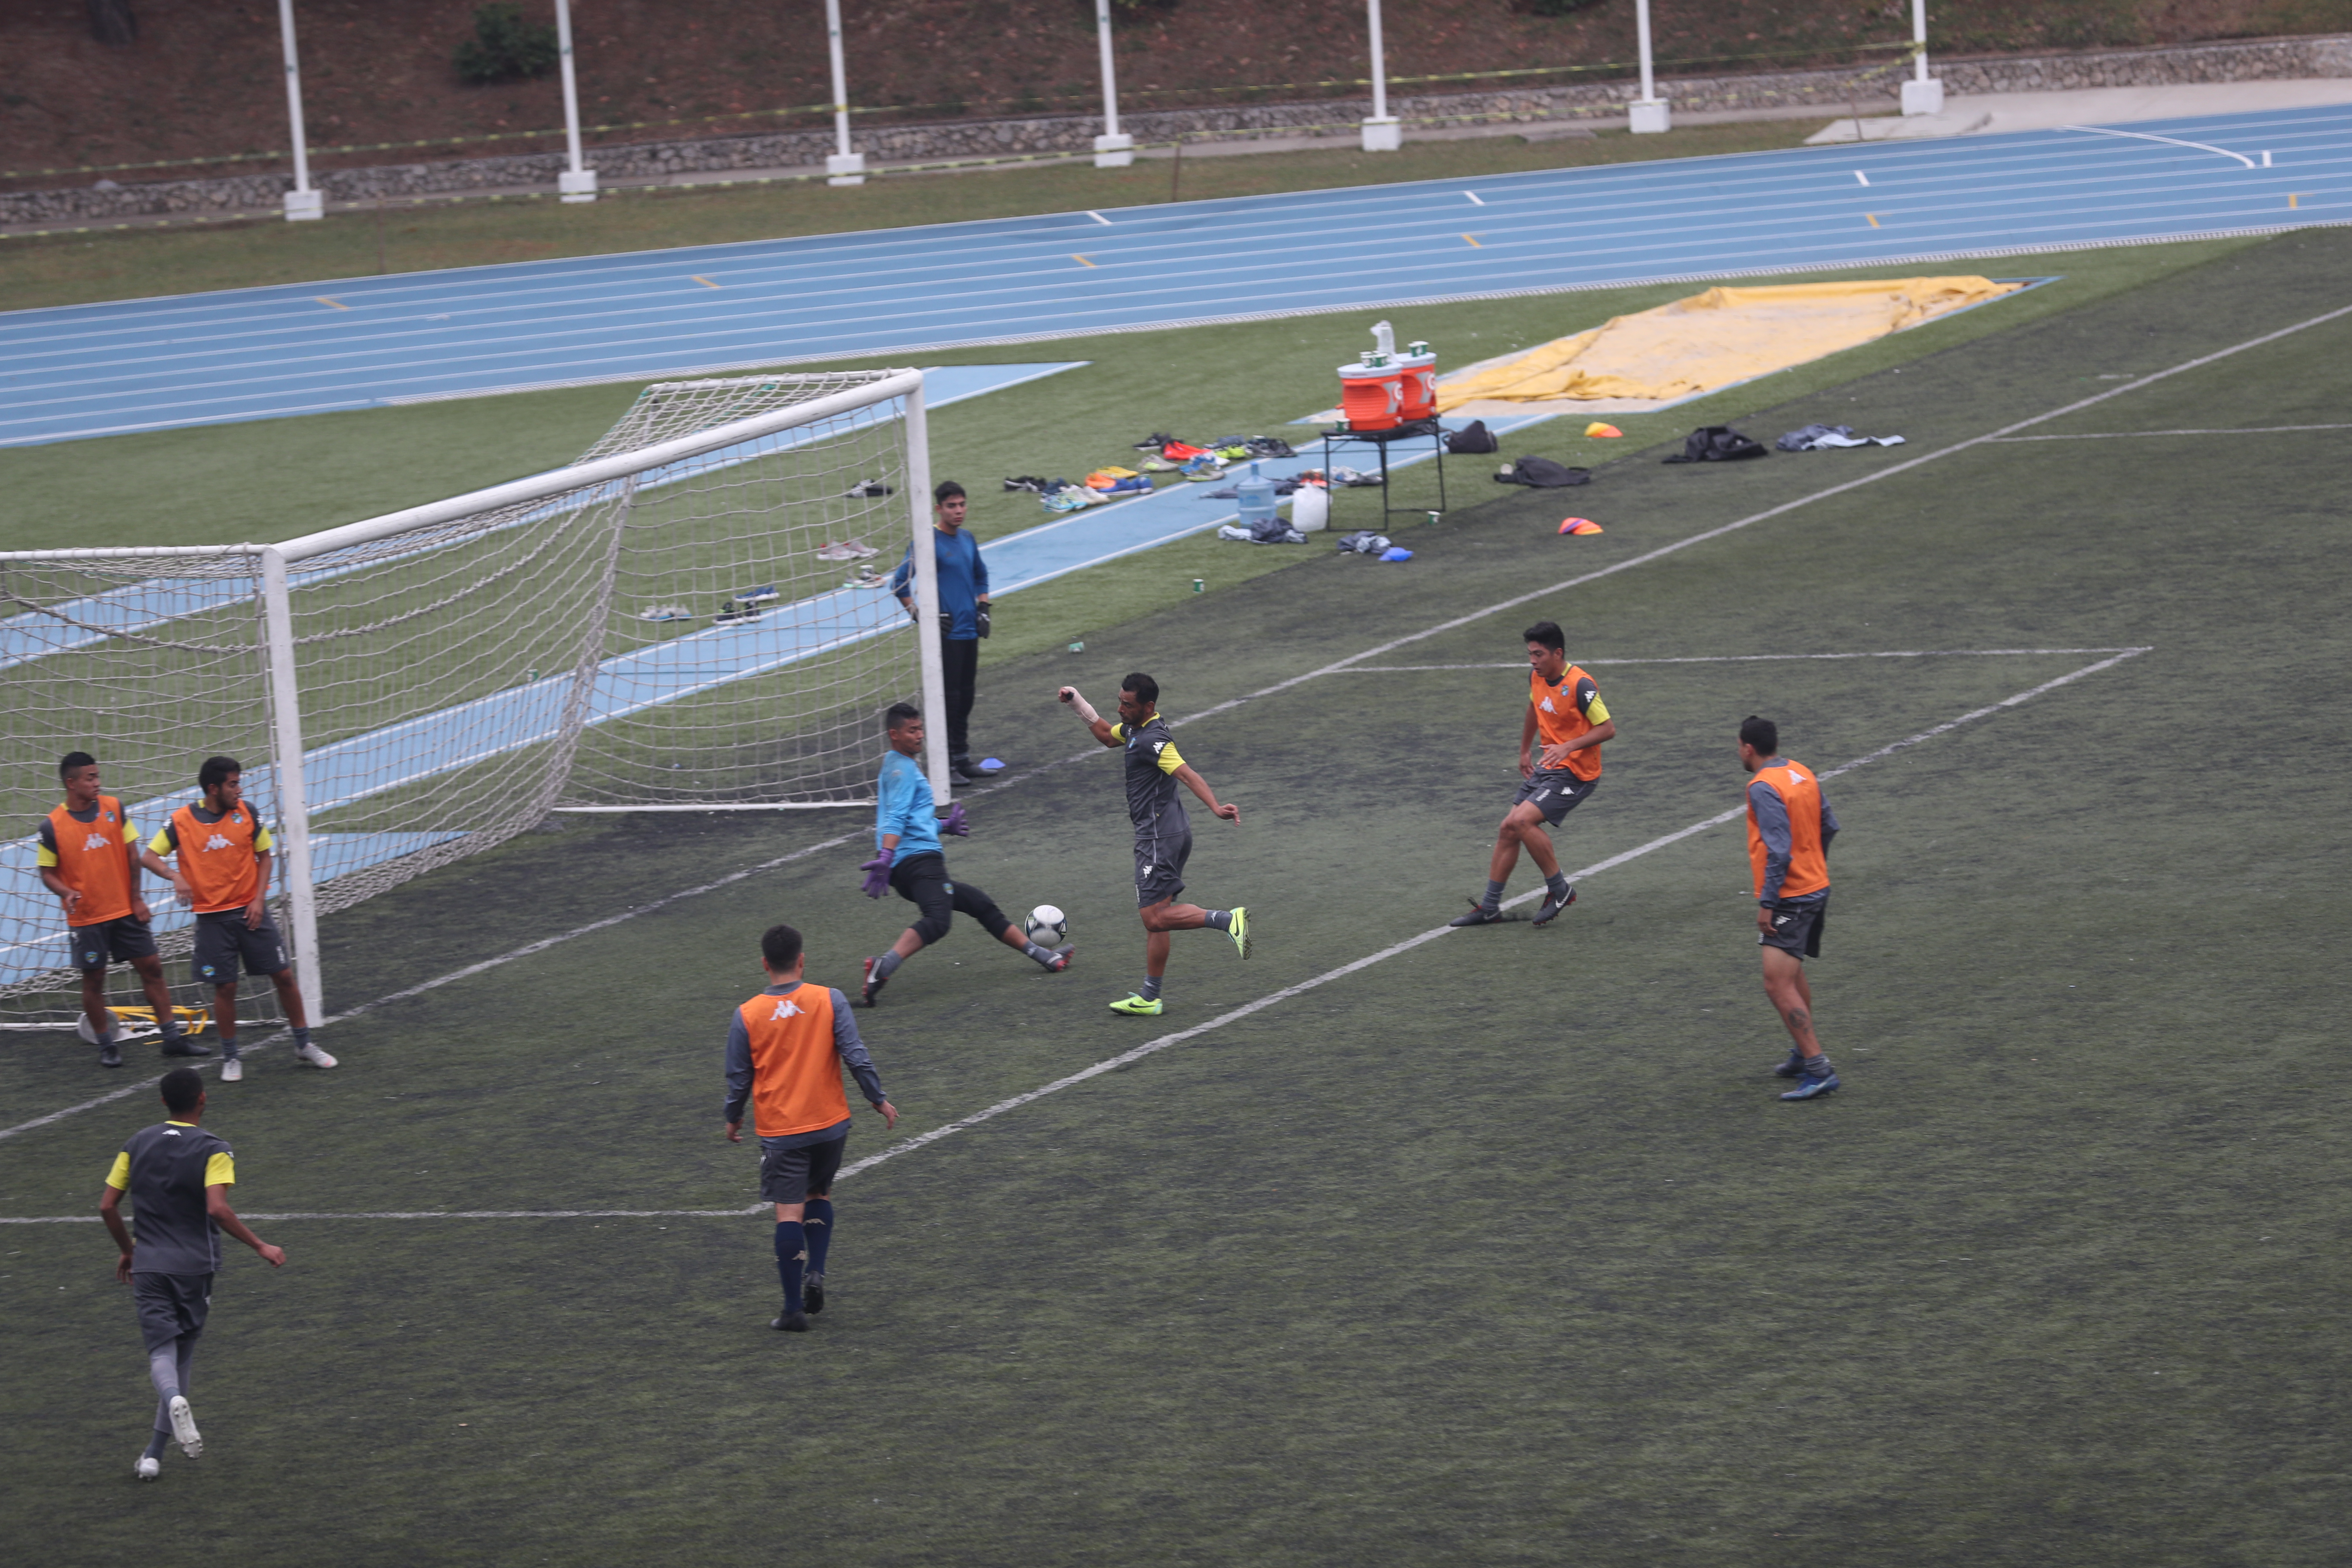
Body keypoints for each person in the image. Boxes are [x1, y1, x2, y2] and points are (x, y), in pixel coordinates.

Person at [99, 1066, 285, 1481]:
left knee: (161, 1354)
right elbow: (217, 1208)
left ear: (163, 1101)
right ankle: (156, 1446)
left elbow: (107, 1206)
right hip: (195, 1268)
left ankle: (153, 1454)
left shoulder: (135, 1144)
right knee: (182, 1355)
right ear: (203, 1099)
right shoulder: (214, 1148)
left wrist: (129, 1251)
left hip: (149, 1265)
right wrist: (260, 1245)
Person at [723, 923, 899, 1332]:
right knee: (820, 1193)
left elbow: (739, 1077)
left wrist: (733, 1119)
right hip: (831, 1127)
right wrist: (878, 1100)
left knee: (788, 1213)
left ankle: (792, 1311)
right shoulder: (829, 999)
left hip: (783, 1133)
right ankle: (815, 1272)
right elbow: (855, 1055)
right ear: (802, 960)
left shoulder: (748, 1015)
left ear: (765, 964)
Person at [1058, 673, 1250, 1017]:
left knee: (1155, 917)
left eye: (1127, 705)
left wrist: (1216, 807)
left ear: (1149, 707)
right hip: (1168, 833)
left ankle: (1227, 920)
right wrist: (1076, 702)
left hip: (1160, 838)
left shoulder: (1154, 739)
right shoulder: (1134, 730)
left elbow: (1186, 774)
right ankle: (1150, 996)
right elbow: (1105, 736)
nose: (1120, 709)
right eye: (1120, 702)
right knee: (1158, 917)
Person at [857, 704, 1072, 1006]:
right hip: (918, 862)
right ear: (894, 734)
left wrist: (944, 826)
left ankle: (1044, 956)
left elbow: (913, 820)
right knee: (938, 920)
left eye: (920, 729)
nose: (920, 736)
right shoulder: (903, 770)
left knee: (979, 904)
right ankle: (883, 966)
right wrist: (886, 855)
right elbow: (896, 817)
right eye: (912, 731)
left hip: (910, 865)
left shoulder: (897, 764)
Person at [142, 756, 335, 1082]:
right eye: (233, 784)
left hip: (251, 912)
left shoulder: (247, 813)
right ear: (213, 788)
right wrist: (174, 876)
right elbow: (148, 856)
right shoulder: (181, 822)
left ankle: (304, 1044)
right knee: (226, 987)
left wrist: (259, 899)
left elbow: (265, 857)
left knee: (284, 976)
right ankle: (232, 1058)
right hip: (212, 920)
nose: (239, 789)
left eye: (239, 783)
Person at [35, 752, 207, 1069]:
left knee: (153, 968)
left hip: (126, 911)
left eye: (98, 776)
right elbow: (47, 872)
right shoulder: (52, 827)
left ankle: (171, 1039)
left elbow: (132, 856)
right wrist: (66, 891)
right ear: (71, 783)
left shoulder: (115, 809)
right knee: (94, 982)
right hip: (87, 919)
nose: (97, 783)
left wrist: (137, 899)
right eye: (90, 778)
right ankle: (106, 1044)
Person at [1450, 622, 1617, 929]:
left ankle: (1560, 889)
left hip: (1578, 774)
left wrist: (1568, 747)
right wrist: (1525, 750)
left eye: (1538, 654)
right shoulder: (1536, 677)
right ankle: (1489, 907)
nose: (1533, 661)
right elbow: (1534, 707)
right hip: (1550, 767)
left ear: (1558, 653)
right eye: (1530, 654)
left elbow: (1608, 729)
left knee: (1523, 821)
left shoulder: (1582, 685)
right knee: (1508, 829)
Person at [1739, 716, 1844, 1101]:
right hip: (1816, 887)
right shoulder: (1802, 773)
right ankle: (1802, 1053)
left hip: (1790, 898)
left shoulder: (1763, 786)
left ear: (1748, 748)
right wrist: (1815, 864)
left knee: (1776, 982)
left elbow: (1779, 851)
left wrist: (1769, 903)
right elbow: (1829, 825)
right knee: (1792, 972)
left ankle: (1819, 1069)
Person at [888, 480, 991, 784]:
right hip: (944, 637)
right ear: (939, 509)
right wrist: (921, 616)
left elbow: (981, 576)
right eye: (951, 506)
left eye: (962, 505)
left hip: (969, 632)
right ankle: (944, 766)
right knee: (948, 700)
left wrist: (984, 609)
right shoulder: (927, 541)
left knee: (967, 697)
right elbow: (899, 584)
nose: (958, 511)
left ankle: (961, 758)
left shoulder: (968, 539)